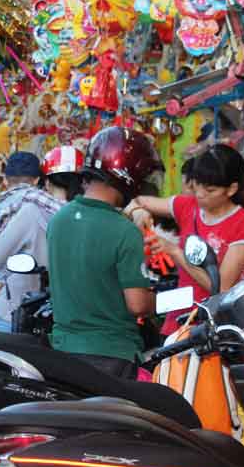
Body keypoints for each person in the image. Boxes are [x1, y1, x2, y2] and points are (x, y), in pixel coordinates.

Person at [46, 127, 160, 378]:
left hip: (64, 350)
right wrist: (162, 301)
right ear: (131, 176)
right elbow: (138, 305)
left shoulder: (58, 220)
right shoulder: (124, 231)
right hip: (112, 356)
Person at [125, 144, 244, 335]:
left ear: (231, 189)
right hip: (178, 319)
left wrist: (175, 252)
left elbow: (220, 287)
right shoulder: (187, 206)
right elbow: (136, 200)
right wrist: (137, 211)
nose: (200, 195)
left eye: (210, 190)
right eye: (196, 185)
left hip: (214, 326)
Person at [0, 149, 83, 332]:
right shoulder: (85, 217)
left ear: (47, 181)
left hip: (20, 308)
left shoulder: (30, 210)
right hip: (68, 315)